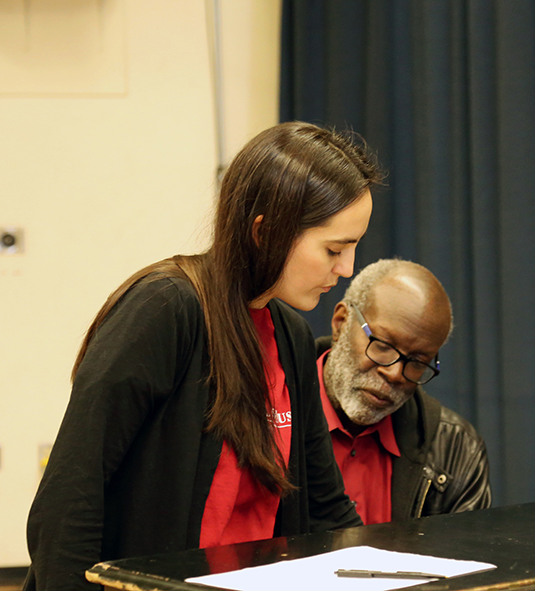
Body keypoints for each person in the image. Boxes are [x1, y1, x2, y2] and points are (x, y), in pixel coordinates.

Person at [25, 122, 384, 590]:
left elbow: (324, 507)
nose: (346, 268)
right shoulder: (166, 309)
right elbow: (71, 494)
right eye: (334, 249)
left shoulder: (292, 337)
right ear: (265, 232)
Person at [315, 259, 491, 523]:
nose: (395, 373)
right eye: (383, 346)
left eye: (418, 362)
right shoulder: (267, 413)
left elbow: (467, 560)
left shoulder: (456, 449)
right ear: (341, 323)